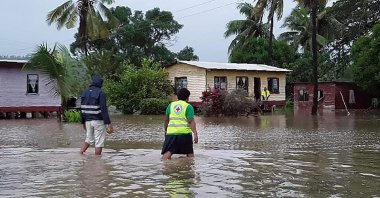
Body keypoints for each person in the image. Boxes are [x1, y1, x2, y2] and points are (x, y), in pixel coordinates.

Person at [161, 88, 198, 160]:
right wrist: (195, 134)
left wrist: (166, 131)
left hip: (171, 133)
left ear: (177, 96)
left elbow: (166, 120)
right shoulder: (188, 106)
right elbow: (191, 121)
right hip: (185, 134)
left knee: (166, 155)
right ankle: (187, 168)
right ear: (187, 97)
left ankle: (164, 167)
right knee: (190, 154)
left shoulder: (170, 105)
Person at [80, 75, 113, 155]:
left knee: (88, 139)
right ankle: (97, 162)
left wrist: (83, 122)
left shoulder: (85, 92)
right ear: (100, 84)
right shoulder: (101, 93)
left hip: (88, 120)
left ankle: (80, 154)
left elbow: (81, 108)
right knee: (98, 142)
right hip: (98, 121)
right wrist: (108, 123)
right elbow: (103, 109)